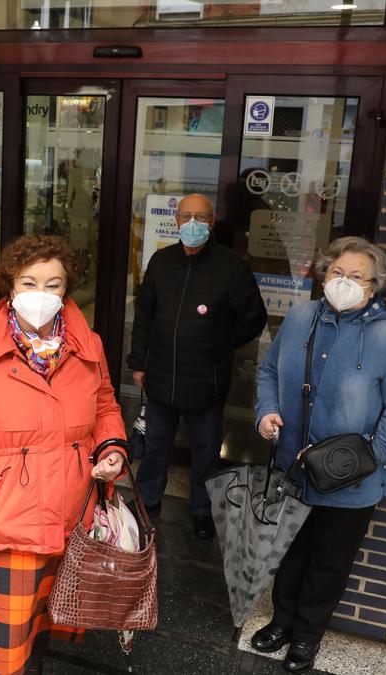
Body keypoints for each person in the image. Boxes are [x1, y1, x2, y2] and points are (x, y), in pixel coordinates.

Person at [0, 234, 127, 675]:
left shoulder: (86, 343)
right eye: (29, 282)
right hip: (7, 521)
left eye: (53, 284)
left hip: (73, 514)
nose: (41, 295)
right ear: (9, 285)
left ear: (67, 289)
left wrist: (112, 446)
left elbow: (105, 406)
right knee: (7, 646)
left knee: (47, 624)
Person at [252, 236, 386, 673]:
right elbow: (270, 370)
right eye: (336, 272)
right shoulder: (300, 318)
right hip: (294, 466)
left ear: (373, 287)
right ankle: (281, 621)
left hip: (352, 482)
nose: (343, 282)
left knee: (328, 561)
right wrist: (266, 410)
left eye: (356, 276)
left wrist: (366, 456)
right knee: (290, 549)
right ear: (323, 273)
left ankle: (306, 637)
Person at [127, 193, 266, 538]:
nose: (192, 223)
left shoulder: (230, 267)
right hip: (160, 375)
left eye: (200, 217)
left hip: (207, 380)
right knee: (157, 445)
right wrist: (138, 363)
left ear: (212, 221)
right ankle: (147, 502)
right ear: (176, 220)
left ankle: (202, 510)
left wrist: (221, 343)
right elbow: (144, 315)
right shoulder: (161, 262)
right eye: (186, 216)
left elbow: (254, 318)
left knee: (205, 450)